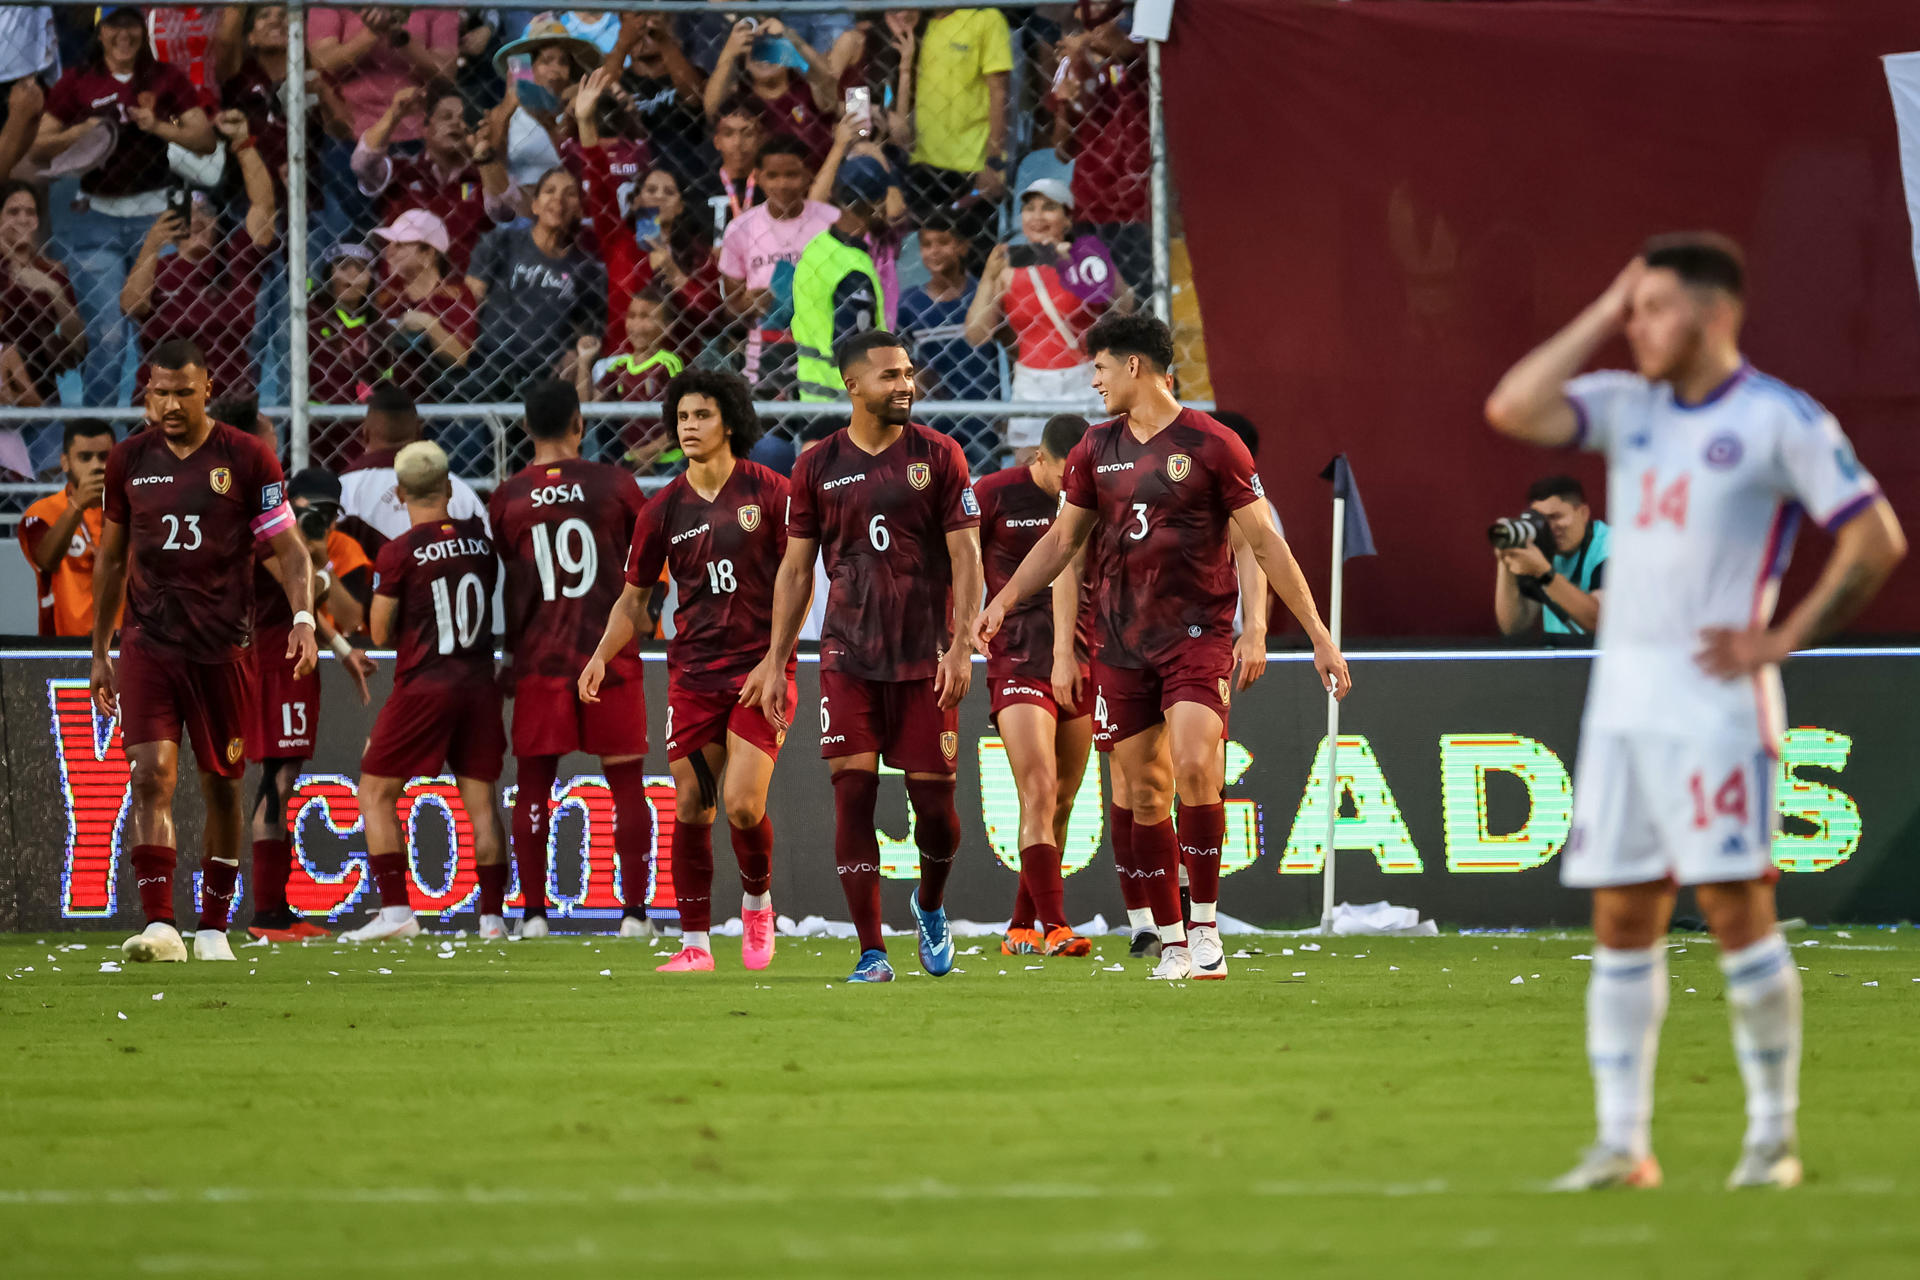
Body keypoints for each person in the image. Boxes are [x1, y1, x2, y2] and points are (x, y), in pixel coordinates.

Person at [1483, 235, 1906, 1191]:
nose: (1638, 328)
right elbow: (1511, 405)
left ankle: (1770, 1137)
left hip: (1715, 704)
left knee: (1735, 910)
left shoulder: (1777, 419)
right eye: (1634, 311)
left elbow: (1875, 535)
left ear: (1715, 315)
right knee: (1623, 917)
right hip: (1621, 706)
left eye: (1656, 309)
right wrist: (1607, 303)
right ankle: (1623, 1145)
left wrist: (1782, 637)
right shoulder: (1630, 408)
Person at [975, 315, 1350, 980]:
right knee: (1144, 795)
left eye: (1100, 367)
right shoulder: (1094, 449)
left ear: (1135, 368)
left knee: (1197, 766)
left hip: (1197, 636)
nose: (1092, 379)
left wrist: (1318, 635)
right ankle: (1172, 940)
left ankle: (1206, 929)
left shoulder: (1213, 445)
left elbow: (1263, 542)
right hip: (1118, 644)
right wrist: (1002, 601)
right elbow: (1063, 542)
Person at [740, 330, 983, 984]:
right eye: (889, 376)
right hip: (847, 658)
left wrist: (961, 648)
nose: (905, 384)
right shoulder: (817, 464)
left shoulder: (940, 454)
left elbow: (966, 557)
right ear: (852, 386)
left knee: (937, 814)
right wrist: (774, 658)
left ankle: (929, 905)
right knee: (853, 797)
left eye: (908, 374)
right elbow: (795, 573)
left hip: (925, 661)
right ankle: (871, 950)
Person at [88, 339, 317, 964]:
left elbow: (292, 551)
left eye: (182, 392)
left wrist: (303, 619)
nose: (169, 403)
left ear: (207, 388)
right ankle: (160, 925)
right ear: (147, 391)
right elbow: (109, 559)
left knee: (222, 786)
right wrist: (100, 650)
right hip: (149, 645)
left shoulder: (246, 459)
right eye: (159, 391)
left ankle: (213, 926)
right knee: (151, 774)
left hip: (224, 652)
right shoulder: (128, 460)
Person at [583, 369, 791, 970]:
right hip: (695, 674)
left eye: (701, 415)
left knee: (743, 805)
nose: (690, 427)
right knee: (692, 805)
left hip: (759, 671)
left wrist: (777, 660)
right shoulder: (661, 509)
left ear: (729, 420)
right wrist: (601, 654)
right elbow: (634, 600)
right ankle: (695, 945)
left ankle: (757, 902)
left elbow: (797, 581)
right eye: (682, 418)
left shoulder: (770, 494)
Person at [489, 379, 651, 939]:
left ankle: (533, 914)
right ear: (580, 424)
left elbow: (509, 575)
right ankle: (635, 915)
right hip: (610, 650)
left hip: (541, 654)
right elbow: (652, 554)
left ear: (527, 429)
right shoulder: (615, 484)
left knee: (534, 783)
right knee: (626, 783)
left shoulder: (508, 497)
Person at [341, 440, 508, 943]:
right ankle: (493, 920)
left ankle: (396, 912)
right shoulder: (481, 541)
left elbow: (377, 632)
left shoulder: (398, 552)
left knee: (374, 791)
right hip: (480, 682)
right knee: (481, 803)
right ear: (449, 484)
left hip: (424, 684)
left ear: (398, 491)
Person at [34, 6, 215, 405]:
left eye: (131, 24)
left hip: (159, 218)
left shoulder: (165, 78)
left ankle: (166, 429)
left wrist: (158, 126)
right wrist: (80, 131)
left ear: (142, 30)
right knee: (109, 337)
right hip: (97, 219)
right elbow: (40, 143)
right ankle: (98, 438)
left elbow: (204, 138)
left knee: (167, 330)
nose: (124, 34)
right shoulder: (77, 81)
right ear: (100, 31)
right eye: (114, 24)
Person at [236, 432, 377, 945]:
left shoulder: (307, 546)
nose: (319, 521)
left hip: (295, 659)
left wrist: (342, 651)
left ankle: (275, 909)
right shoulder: (271, 540)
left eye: (328, 514)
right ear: (289, 504)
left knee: (283, 776)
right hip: (278, 664)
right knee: (277, 775)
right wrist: (313, 558)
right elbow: (303, 590)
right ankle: (268, 914)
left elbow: (326, 611)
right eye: (309, 510)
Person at [973, 413, 1096, 957]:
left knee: (1063, 799)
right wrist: (955, 634)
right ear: (1037, 460)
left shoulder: (1095, 497)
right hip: (1017, 658)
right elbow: (953, 562)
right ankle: (1056, 926)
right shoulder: (994, 495)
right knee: (1040, 789)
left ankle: (1022, 923)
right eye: (1063, 473)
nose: (1073, 484)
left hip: (1082, 657)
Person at [120, 109, 277, 402]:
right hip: (166, 402)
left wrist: (242, 143)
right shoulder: (159, 267)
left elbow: (263, 208)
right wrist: (152, 243)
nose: (198, 220)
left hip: (228, 400)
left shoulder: (236, 261)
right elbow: (132, 306)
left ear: (218, 222)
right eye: (187, 214)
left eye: (205, 212)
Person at [966, 178, 1125, 453]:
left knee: (1098, 466)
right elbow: (976, 335)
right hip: (1032, 385)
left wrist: (1079, 265)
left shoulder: (1086, 258)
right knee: (1031, 475)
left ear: (1067, 218)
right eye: (1030, 208)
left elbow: (1126, 306)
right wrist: (988, 279)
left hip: (1085, 379)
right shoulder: (1007, 269)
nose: (1037, 216)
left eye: (1048, 207)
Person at [463, 167, 607, 402]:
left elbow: (587, 327)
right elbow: (469, 300)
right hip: (487, 366)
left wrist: (574, 352)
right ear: (535, 205)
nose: (558, 199)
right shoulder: (502, 241)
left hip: (544, 378)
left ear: (580, 209)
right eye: (550, 191)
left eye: (570, 193)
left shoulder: (586, 269)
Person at [718, 134, 839, 392]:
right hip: (765, 355)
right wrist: (749, 303)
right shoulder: (740, 228)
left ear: (808, 175)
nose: (782, 184)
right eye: (773, 176)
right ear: (758, 177)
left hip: (823, 349)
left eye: (792, 175)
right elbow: (731, 310)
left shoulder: (831, 223)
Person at [353, 79, 515, 274]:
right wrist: (394, 114)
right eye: (446, 117)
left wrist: (481, 152)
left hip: (459, 293)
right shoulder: (402, 170)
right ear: (425, 128)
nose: (456, 123)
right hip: (397, 291)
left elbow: (504, 211)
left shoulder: (483, 178)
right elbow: (361, 165)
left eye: (464, 119)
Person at [1049, 15, 1151, 300]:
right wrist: (1067, 105)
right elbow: (1060, 149)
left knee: (1143, 302)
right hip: (1089, 203)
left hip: (1135, 202)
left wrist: (1084, 47)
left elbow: (1124, 50)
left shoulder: (1144, 51)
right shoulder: (1070, 64)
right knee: (1096, 304)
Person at [335, 383, 488, 557]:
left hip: (371, 582)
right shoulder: (456, 488)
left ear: (365, 432)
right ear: (418, 432)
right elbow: (490, 559)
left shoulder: (345, 489)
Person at [897, 207, 1000, 466]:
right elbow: (902, 357)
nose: (934, 251)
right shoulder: (910, 303)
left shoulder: (982, 294)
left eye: (943, 242)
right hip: (930, 418)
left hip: (982, 415)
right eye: (927, 245)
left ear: (963, 247)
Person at [792, 157, 891, 401]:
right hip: (847, 405)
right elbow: (856, 352)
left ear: (836, 193)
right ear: (878, 203)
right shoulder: (853, 268)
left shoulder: (816, 248)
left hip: (811, 396)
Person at [904, 6, 1012, 227]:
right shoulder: (922, 23)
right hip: (923, 164)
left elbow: (999, 92)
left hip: (972, 164)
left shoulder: (986, 18)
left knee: (972, 253)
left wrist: (994, 162)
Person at [369, 209, 481, 403]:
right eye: (389, 244)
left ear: (428, 253)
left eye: (401, 244)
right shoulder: (385, 294)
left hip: (439, 401)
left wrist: (430, 325)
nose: (390, 251)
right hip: (385, 398)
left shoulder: (454, 295)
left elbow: (460, 357)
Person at [18, 420, 115, 638]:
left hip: (126, 646)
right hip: (61, 647)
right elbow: (45, 560)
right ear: (65, 462)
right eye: (84, 457)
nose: (96, 466)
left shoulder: (134, 510)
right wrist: (78, 505)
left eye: (104, 457)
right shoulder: (42, 512)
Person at [702, 17, 837, 170]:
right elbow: (711, 108)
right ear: (745, 61)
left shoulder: (808, 90)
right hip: (758, 186)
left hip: (814, 181)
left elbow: (827, 79)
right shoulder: (740, 97)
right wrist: (730, 51)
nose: (764, 58)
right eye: (757, 51)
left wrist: (789, 36)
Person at [308, 6, 459, 140]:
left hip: (415, 131)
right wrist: (371, 34)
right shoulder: (332, 3)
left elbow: (446, 74)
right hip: (347, 132)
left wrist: (400, 38)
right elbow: (324, 62)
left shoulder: (439, 3)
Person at [1493, 474, 1610, 641]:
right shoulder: (1543, 547)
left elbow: (1598, 621)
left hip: (1604, 662)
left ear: (1583, 513)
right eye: (1542, 519)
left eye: (1556, 517)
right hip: (1560, 662)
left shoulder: (1611, 548)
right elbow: (1512, 627)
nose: (1550, 528)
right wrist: (1505, 562)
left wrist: (1544, 574)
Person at [0, 179, 86, 406]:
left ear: (38, 220)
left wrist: (54, 292)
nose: (23, 219)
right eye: (13, 212)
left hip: (44, 390)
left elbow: (77, 345)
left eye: (30, 212)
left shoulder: (52, 272)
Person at [606, 11, 709, 185]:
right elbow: (598, 99)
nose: (643, 29)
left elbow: (694, 97)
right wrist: (623, 42)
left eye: (651, 17)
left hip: (686, 172)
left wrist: (663, 39)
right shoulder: (619, 79)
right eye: (636, 20)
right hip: (632, 175)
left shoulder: (686, 73)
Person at [306, 242, 380, 430]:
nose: (352, 273)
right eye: (343, 266)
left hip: (362, 423)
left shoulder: (379, 325)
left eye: (361, 268)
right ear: (328, 274)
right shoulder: (310, 316)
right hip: (314, 422)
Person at [686, 100, 764, 235]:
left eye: (747, 133)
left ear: (760, 139)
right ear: (717, 142)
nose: (738, 143)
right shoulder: (700, 189)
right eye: (728, 134)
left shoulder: (771, 184)